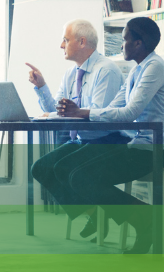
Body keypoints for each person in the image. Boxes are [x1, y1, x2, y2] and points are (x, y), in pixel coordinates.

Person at [55, 16, 164, 254]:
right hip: (140, 146)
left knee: (83, 176)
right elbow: (114, 107)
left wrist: (81, 112)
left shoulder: (154, 67)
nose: (120, 45)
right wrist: (81, 112)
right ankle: (145, 217)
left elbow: (129, 112)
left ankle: (145, 219)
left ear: (138, 43)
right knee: (78, 175)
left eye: (124, 40)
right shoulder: (136, 70)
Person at [25, 19, 124, 239]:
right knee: (40, 168)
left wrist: (61, 113)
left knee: (64, 168)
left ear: (81, 42)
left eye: (65, 40)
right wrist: (41, 86)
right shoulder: (71, 74)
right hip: (82, 140)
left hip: (107, 140)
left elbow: (98, 115)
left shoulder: (106, 70)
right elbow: (58, 111)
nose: (61, 45)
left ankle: (106, 212)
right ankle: (94, 213)